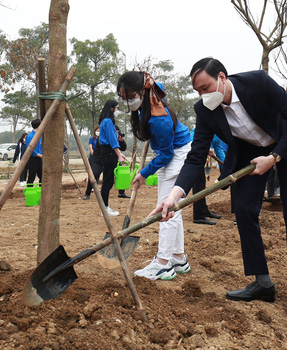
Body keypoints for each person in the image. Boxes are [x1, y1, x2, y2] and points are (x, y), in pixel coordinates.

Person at [151, 58, 287, 325]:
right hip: (250, 156)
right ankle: (263, 283)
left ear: (222, 78)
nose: (203, 95)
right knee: (245, 211)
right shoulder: (205, 109)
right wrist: (174, 195)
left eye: (206, 87)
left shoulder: (258, 83)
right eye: (198, 91)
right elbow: (196, 157)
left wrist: (274, 157)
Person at [118, 71, 192, 280]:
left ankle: (162, 264)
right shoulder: (149, 98)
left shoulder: (159, 118)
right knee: (174, 209)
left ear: (142, 91)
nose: (128, 101)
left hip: (177, 155)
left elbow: (166, 154)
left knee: (166, 209)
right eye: (125, 98)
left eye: (131, 96)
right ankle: (178, 258)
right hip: (174, 152)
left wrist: (144, 172)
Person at [94, 100, 128, 216]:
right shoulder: (108, 121)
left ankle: (106, 207)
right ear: (111, 108)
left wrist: (120, 154)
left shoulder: (107, 122)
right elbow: (112, 140)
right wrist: (118, 154)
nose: (118, 111)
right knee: (107, 182)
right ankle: (105, 209)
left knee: (108, 181)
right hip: (108, 153)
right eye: (117, 108)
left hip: (109, 152)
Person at [190, 129, 222, 225]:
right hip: (192, 157)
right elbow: (192, 137)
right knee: (198, 186)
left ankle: (204, 210)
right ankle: (199, 216)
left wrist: (227, 167)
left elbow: (219, 152)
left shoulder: (218, 135)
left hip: (201, 159)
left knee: (202, 184)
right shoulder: (209, 126)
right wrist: (206, 147)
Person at [83, 125, 102, 200]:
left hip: (103, 158)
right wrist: (94, 155)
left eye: (100, 130)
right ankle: (88, 193)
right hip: (94, 158)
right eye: (97, 130)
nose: (98, 132)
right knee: (92, 174)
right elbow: (90, 148)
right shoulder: (92, 139)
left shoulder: (104, 138)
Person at [25, 119, 43, 185]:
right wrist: (39, 155)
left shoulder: (40, 136)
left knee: (42, 176)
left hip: (40, 159)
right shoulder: (30, 136)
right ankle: (29, 191)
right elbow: (30, 149)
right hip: (33, 159)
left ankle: (41, 190)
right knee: (31, 176)